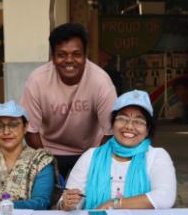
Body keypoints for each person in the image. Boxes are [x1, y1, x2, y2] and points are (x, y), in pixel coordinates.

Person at [21, 23, 117, 179]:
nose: (69, 60)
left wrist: (94, 162)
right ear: (53, 56)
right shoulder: (37, 80)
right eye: (62, 54)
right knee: (45, 190)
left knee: (90, 191)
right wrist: (47, 162)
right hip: (48, 149)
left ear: (85, 55)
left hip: (91, 150)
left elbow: (110, 131)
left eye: (76, 54)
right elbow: (30, 130)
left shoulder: (101, 81)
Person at [59, 90, 176, 211]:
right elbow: (69, 202)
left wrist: (114, 203)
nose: (129, 126)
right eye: (123, 119)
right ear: (112, 124)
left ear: (147, 130)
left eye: (138, 121)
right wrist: (68, 203)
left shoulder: (156, 156)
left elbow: (165, 197)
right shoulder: (91, 156)